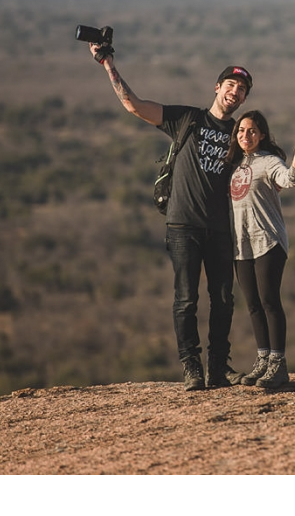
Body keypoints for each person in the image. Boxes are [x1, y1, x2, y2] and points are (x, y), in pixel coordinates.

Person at [88, 41, 250, 391]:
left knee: (223, 299)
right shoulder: (187, 118)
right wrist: (107, 64)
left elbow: (263, 168)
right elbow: (133, 105)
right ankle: (192, 367)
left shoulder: (241, 135)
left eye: (242, 90)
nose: (235, 92)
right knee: (186, 298)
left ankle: (219, 367)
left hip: (221, 228)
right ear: (217, 87)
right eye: (231, 85)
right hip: (183, 225)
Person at [225, 110, 295, 389]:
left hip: (268, 241)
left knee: (269, 301)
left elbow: (290, 179)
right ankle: (263, 359)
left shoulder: (269, 161)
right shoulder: (232, 164)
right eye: (241, 131)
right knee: (253, 305)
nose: (245, 136)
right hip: (241, 245)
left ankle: (278, 364)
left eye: (252, 131)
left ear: (262, 134)